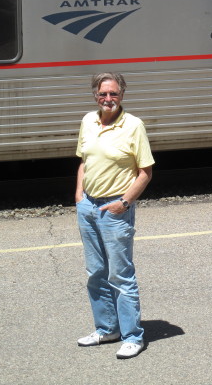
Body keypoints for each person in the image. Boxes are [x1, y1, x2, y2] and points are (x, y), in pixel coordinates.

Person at [75, 72, 154, 359]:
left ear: (122, 95)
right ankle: (108, 328)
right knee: (95, 272)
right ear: (95, 95)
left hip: (115, 209)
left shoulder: (133, 126)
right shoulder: (88, 121)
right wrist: (79, 195)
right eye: (102, 94)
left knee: (120, 275)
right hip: (88, 207)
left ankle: (133, 335)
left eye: (113, 94)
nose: (108, 99)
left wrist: (125, 202)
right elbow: (84, 161)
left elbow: (145, 171)